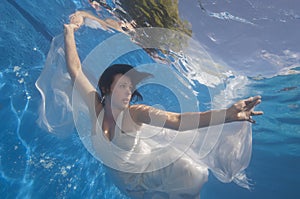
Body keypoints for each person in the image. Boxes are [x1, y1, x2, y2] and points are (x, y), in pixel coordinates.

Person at [62, 11, 263, 199]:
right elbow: (75, 70)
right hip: (127, 184)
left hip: (149, 173)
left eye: (131, 87)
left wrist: (227, 115)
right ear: (106, 88)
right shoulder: (94, 106)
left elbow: (178, 121)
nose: (128, 92)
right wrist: (69, 31)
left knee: (190, 171)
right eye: (122, 86)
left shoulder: (136, 114)